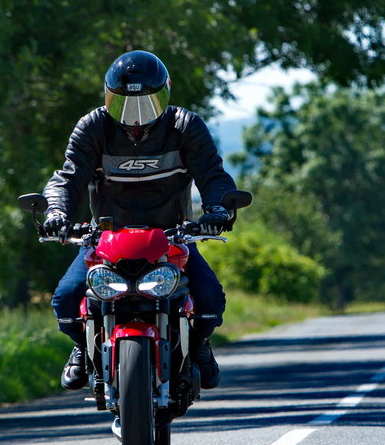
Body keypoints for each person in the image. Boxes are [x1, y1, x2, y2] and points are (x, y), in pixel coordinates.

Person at [42, 50, 238, 391]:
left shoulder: (185, 127)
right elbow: (68, 178)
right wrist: (56, 213)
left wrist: (219, 210)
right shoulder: (93, 127)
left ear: (165, 94)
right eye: (124, 104)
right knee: (66, 298)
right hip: (104, 240)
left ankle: (199, 346)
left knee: (208, 298)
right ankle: (81, 347)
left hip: (172, 238)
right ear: (108, 97)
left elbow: (212, 175)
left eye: (145, 104)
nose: (135, 117)